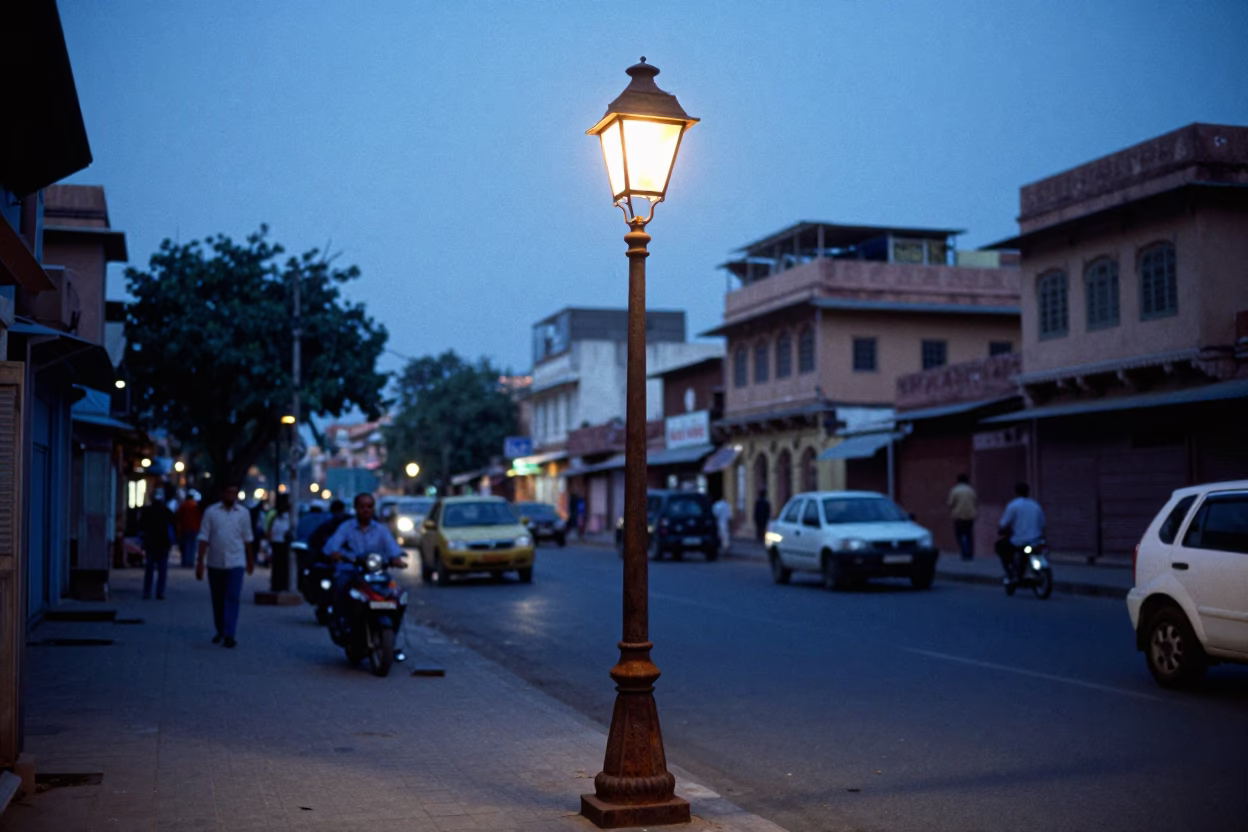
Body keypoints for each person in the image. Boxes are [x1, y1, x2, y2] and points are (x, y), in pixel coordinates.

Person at [323, 493, 406, 631]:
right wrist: (336, 554)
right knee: (340, 585)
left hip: (375, 573)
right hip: (351, 571)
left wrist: (396, 559)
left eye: (369, 506)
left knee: (395, 593)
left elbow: (393, 550)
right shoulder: (346, 527)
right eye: (362, 506)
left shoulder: (381, 529)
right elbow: (331, 547)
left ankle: (393, 627)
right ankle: (340, 622)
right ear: (355, 508)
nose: (365, 510)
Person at [196, 483, 255, 649]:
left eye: (234, 493)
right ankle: (220, 630)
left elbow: (248, 538)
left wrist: (251, 561)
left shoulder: (243, 513)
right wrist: (200, 562)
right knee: (218, 599)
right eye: (228, 492)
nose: (231, 496)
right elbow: (203, 537)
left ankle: (230, 633)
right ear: (222, 493)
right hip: (215, 562)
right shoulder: (211, 512)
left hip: (236, 562)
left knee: (233, 597)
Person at [997, 482, 1046, 582]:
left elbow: (1004, 523)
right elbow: (1042, 522)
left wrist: (1001, 529)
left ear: (1016, 492)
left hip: (1019, 541)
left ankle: (1010, 571)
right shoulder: (1035, 505)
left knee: (1001, 547)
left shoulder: (1013, 505)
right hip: (1036, 540)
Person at [139, 486, 176, 600]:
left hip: (151, 543)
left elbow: (141, 526)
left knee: (149, 569)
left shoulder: (147, 511)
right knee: (162, 570)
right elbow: (172, 526)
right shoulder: (167, 511)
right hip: (163, 543)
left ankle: (147, 592)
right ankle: (160, 592)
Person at [947, 473, 978, 561]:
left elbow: (950, 503)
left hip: (958, 516)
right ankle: (970, 553)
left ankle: (964, 552)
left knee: (959, 535)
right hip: (970, 516)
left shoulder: (955, 490)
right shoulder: (971, 490)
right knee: (969, 534)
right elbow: (975, 502)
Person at [267, 493, 294, 593]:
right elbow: (270, 531)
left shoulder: (290, 517)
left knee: (283, 566)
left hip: (284, 544)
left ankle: (282, 585)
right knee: (278, 566)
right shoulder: (275, 516)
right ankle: (277, 585)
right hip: (277, 543)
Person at [175, 490, 202, 568]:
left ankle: (185, 561)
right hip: (194, 528)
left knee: (185, 545)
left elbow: (178, 517)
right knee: (192, 545)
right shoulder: (195, 506)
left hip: (185, 528)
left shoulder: (183, 506)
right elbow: (199, 517)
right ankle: (190, 561)